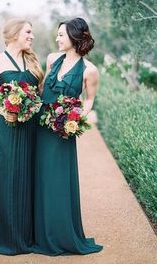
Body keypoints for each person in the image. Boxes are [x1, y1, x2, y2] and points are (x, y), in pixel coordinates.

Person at [33, 17, 103, 255]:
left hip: (63, 130)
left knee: (59, 181)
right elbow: (43, 89)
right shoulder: (52, 59)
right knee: (40, 178)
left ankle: (62, 234)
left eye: (61, 34)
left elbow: (90, 100)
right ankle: (39, 232)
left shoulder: (89, 70)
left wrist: (75, 119)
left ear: (74, 37)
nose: (57, 38)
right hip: (40, 127)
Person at [0, 18, 44, 255]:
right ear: (15, 33)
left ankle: (30, 235)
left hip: (32, 129)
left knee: (31, 177)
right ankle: (7, 237)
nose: (32, 36)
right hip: (9, 128)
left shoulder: (33, 62)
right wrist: (5, 111)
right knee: (10, 178)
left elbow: (38, 95)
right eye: (28, 32)